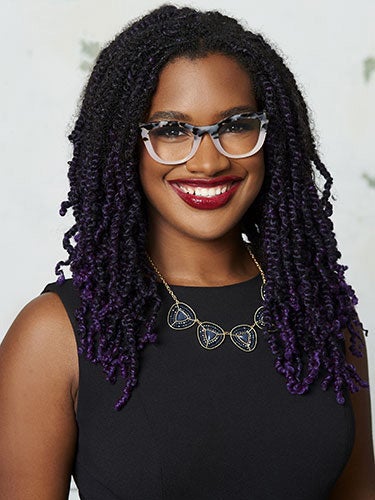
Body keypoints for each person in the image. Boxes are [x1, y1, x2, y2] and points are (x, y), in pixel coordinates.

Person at [0, 5, 374, 499]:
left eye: (236, 124)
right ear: (123, 146)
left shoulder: (321, 314)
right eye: (171, 130)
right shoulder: (53, 335)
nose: (209, 160)